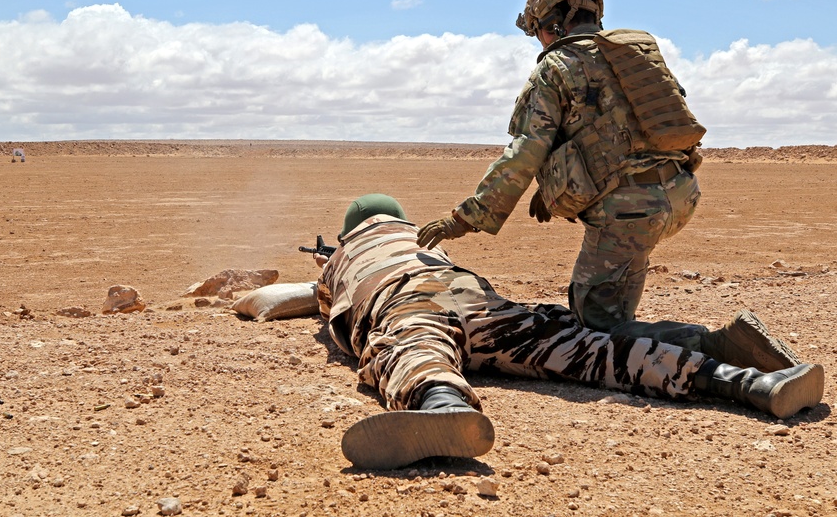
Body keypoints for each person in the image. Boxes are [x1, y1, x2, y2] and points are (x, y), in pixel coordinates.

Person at [317, 194, 824, 470]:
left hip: (408, 303)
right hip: (478, 302)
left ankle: (442, 407)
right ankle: (747, 382)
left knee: (414, 347)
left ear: (346, 233)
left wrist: (326, 267)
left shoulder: (343, 254)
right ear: (399, 219)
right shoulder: (421, 240)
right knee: (595, 351)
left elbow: (300, 301)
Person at [417, 0, 731, 356]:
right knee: (612, 298)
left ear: (554, 23)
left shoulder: (556, 66)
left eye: (538, 30)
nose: (540, 40)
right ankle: (651, 337)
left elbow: (524, 154)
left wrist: (464, 218)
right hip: (678, 194)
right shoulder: (627, 55)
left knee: (597, 330)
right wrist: (552, 189)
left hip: (627, 212)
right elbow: (622, 134)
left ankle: (717, 345)